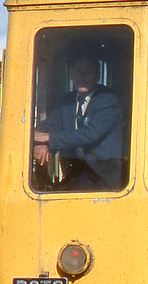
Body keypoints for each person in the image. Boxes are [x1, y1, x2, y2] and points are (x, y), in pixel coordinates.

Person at [33, 57, 124, 190]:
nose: (83, 76)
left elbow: (89, 134)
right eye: (78, 71)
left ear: (97, 75)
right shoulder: (67, 101)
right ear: (71, 74)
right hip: (77, 171)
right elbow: (48, 125)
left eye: (88, 71)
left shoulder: (109, 100)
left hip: (103, 173)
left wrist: (49, 138)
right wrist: (41, 144)